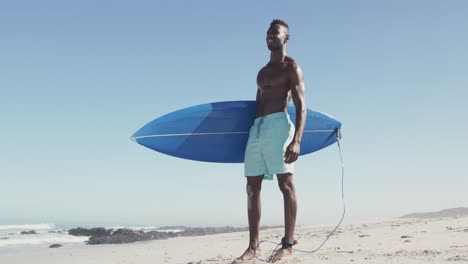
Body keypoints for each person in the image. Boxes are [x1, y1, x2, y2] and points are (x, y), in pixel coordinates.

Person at [234, 19, 307, 263]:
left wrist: (297, 140)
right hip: (258, 128)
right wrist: (251, 132)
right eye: (267, 32)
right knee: (252, 187)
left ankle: (287, 244)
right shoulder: (262, 72)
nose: (269, 36)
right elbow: (257, 103)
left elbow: (301, 106)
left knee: (285, 184)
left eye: (274, 32)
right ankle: (254, 247)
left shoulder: (291, 67)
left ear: (286, 38)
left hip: (279, 125)